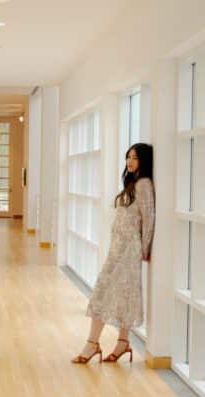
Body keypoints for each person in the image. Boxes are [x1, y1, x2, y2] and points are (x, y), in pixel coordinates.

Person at [72, 143, 155, 364]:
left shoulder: (145, 184)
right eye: (128, 157)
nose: (130, 161)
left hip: (130, 249)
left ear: (144, 161)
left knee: (108, 292)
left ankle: (93, 344)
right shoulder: (132, 184)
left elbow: (149, 219)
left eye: (135, 158)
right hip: (117, 247)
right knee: (116, 293)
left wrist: (145, 249)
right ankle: (121, 343)